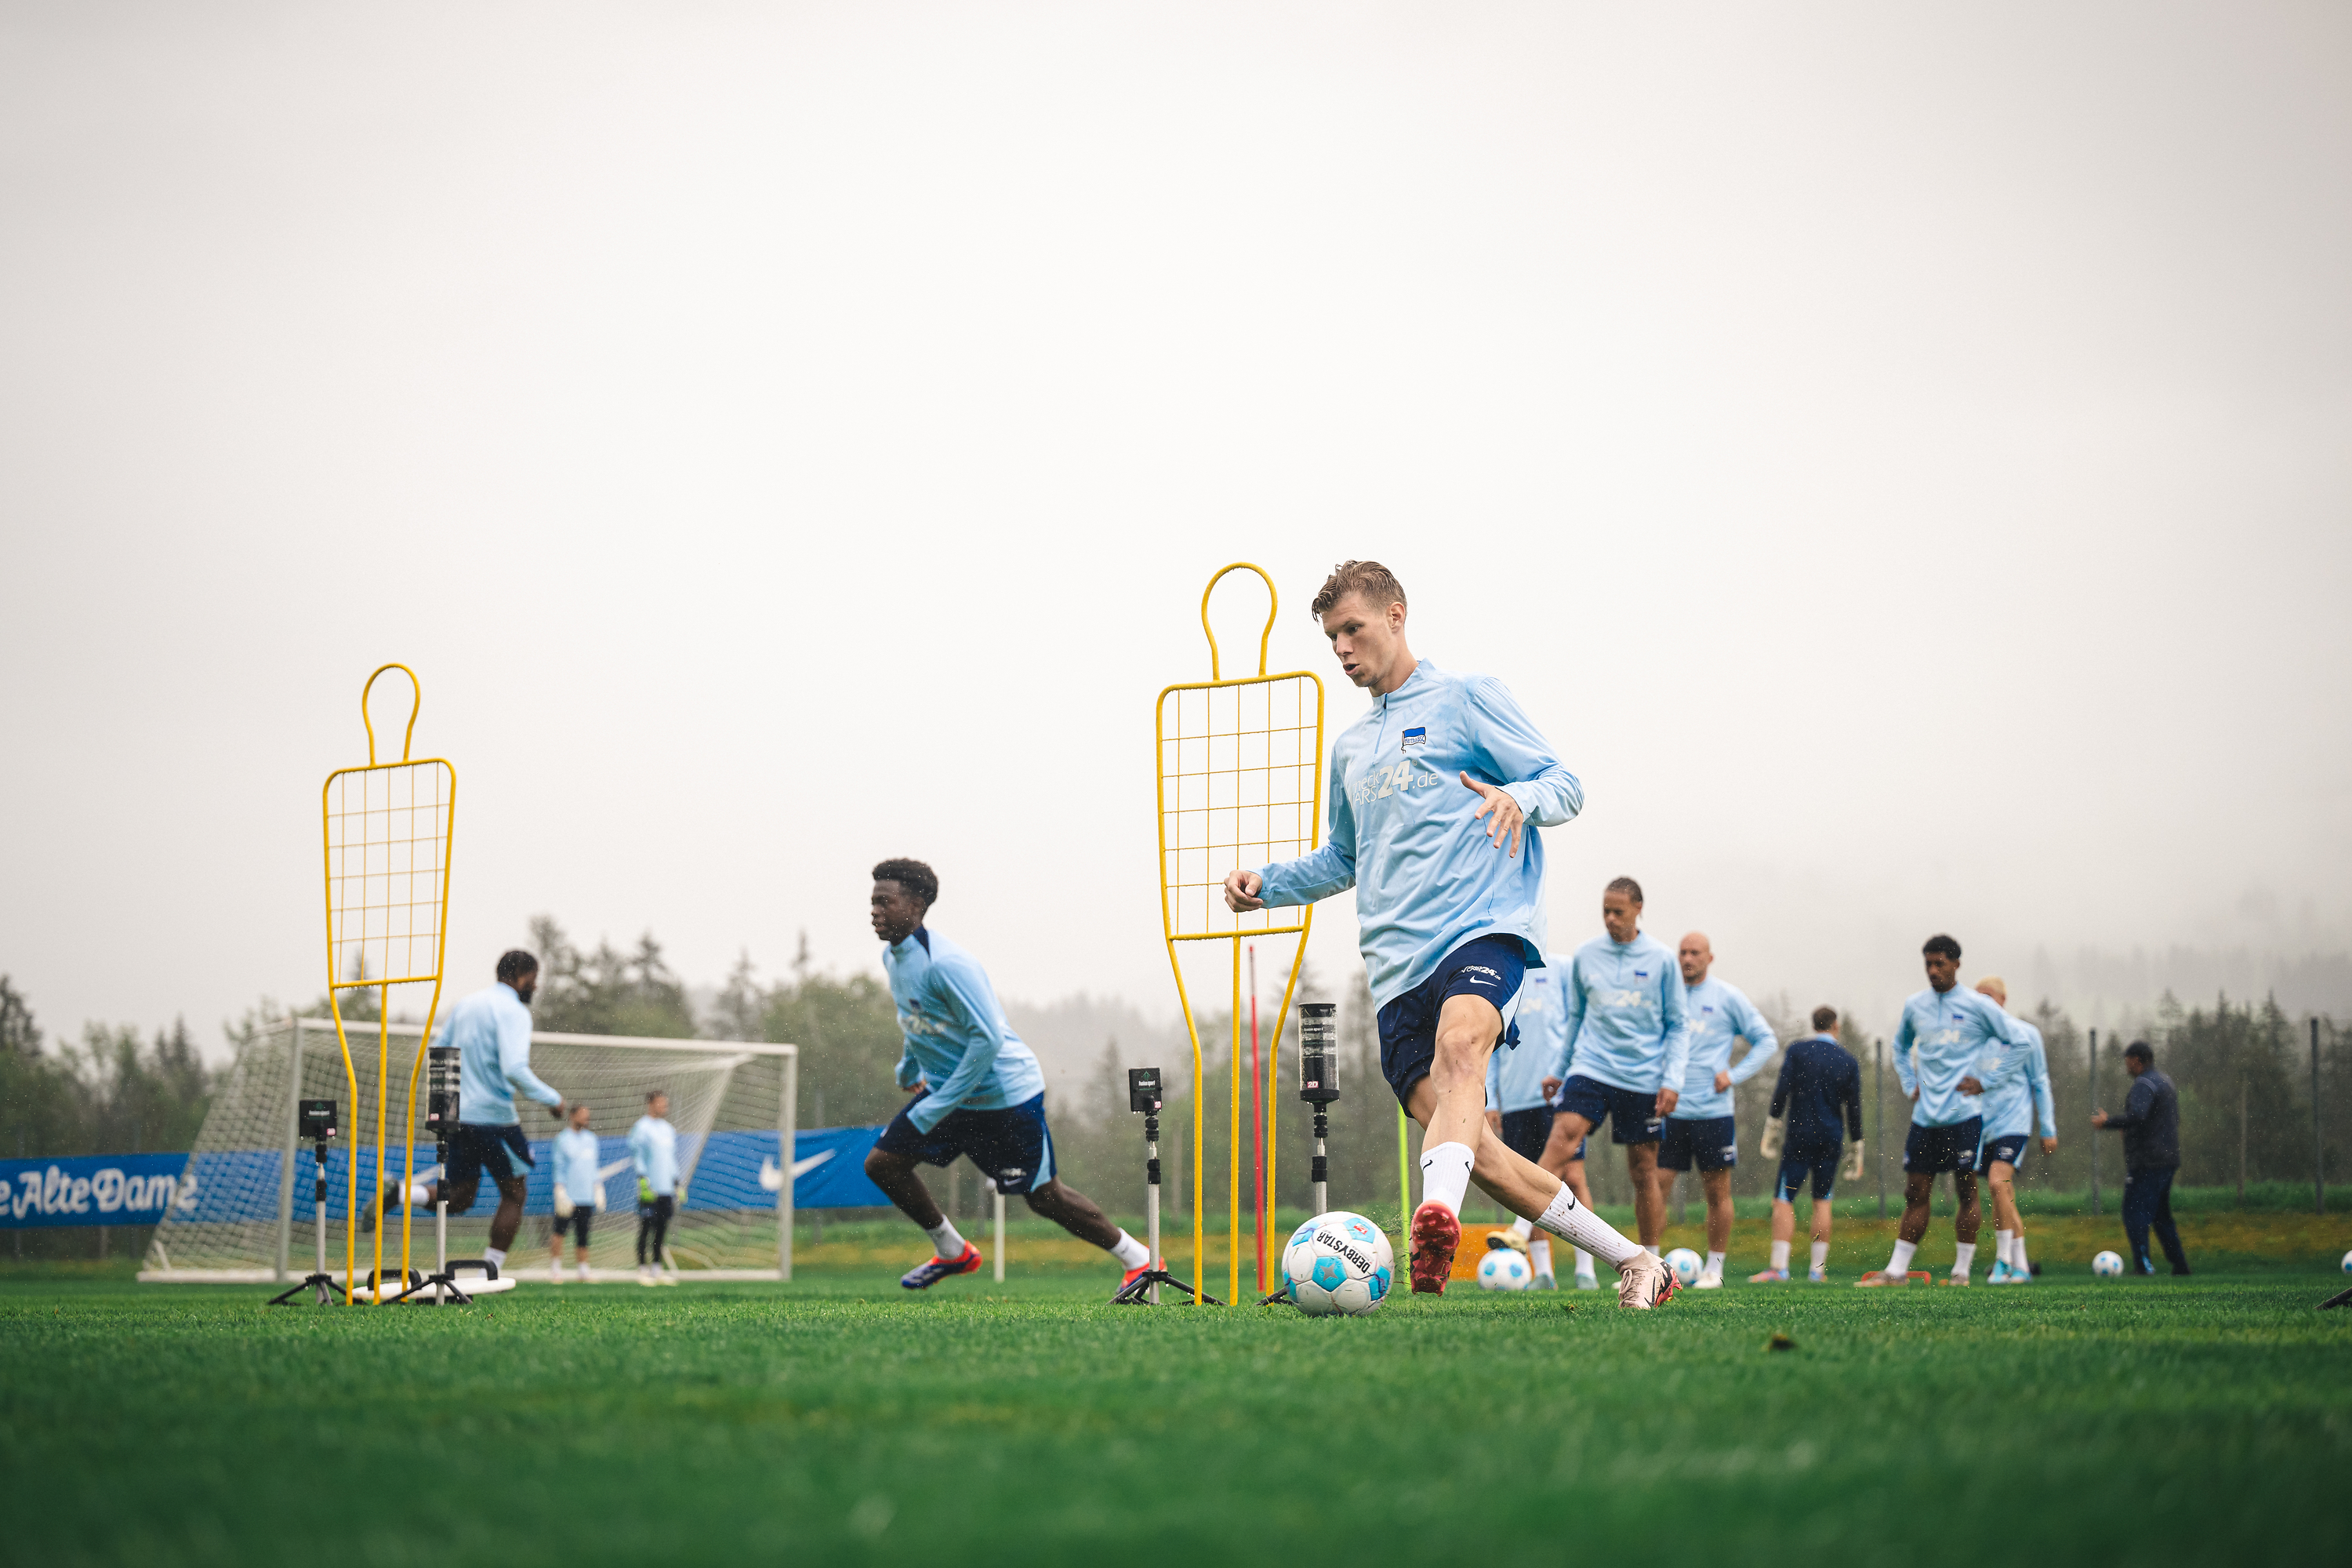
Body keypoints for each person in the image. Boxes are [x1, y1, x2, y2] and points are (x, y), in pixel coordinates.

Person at [1224, 561, 1671, 1307]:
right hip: (1396, 969)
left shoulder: (1468, 698)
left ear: (1396, 616)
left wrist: (1518, 798)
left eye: (1353, 629)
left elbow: (1565, 783)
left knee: (1464, 1049)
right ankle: (1636, 1262)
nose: (1341, 648)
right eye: (1332, 636)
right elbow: (1343, 859)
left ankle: (1436, 1224)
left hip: (1482, 930)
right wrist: (1266, 884)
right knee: (1483, 1153)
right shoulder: (1351, 749)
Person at [865, 858, 1157, 1296]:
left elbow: (987, 1042)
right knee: (884, 1164)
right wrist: (910, 1068)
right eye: (872, 902)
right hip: (949, 1094)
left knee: (1044, 1198)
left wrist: (939, 1105)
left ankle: (1140, 1259)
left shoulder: (948, 964)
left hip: (1005, 1097)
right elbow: (917, 1019)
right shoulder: (894, 958)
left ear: (918, 904)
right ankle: (953, 1251)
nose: (874, 911)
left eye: (884, 902)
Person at [1530, 878, 1692, 1259]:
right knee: (1561, 1139)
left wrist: (1672, 1081)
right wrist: (1559, 1070)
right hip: (1592, 1067)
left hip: (1643, 1077)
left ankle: (1651, 1259)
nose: (1610, 918)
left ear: (1638, 909)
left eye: (1618, 911)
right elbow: (1575, 1017)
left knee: (1643, 1171)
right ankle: (1520, 1231)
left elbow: (1679, 1025)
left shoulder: (1662, 959)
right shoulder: (1586, 955)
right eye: (1605, 910)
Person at [1859, 935, 2024, 1287]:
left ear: (1956, 965)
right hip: (1925, 1119)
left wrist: (1987, 1080)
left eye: (1940, 964)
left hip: (1964, 1116)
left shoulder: (1978, 1006)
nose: (1933, 971)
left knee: (1966, 1192)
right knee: (1915, 1193)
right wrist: (1909, 1084)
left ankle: (1961, 1272)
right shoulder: (1915, 1005)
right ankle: (1896, 1272)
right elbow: (1900, 1048)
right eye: (1928, 965)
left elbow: (2019, 1043)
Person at [401, 949, 564, 1279]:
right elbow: (514, 1068)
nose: (535, 986)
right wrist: (553, 1099)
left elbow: (440, 1054)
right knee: (515, 1193)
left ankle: (404, 1194)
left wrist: (441, 1112)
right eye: (533, 979)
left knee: (460, 1196)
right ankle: (488, 1273)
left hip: (456, 1116)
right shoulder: (514, 1011)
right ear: (521, 976)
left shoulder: (466, 1005)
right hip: (494, 1118)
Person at [1658, 931, 1778, 1288]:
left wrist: (1734, 1074)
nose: (1687, 958)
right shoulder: (1667, 995)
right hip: (1671, 1111)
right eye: (1682, 952)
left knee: (1716, 1193)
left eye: (1695, 953)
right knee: (1655, 1187)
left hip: (1713, 1113)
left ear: (1710, 958)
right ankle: (1645, 1264)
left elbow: (1766, 1040)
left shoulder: (1727, 997)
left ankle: (1714, 1269)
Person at [1479, 956, 1597, 1290]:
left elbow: (1578, 1028)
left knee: (1573, 1176)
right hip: (1516, 1101)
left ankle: (1585, 1268)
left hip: (1559, 1096)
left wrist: (1573, 1079)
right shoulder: (1500, 976)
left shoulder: (1562, 970)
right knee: (1525, 1184)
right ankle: (1543, 1272)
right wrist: (1493, 1099)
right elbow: (1494, 1044)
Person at [1750, 1007, 1864, 1283]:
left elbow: (1782, 1089)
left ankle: (1779, 1268)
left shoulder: (1798, 1051)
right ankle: (1817, 1271)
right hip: (1831, 1138)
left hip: (1800, 1136)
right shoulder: (1847, 1060)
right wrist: (1857, 1143)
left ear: (1814, 1025)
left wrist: (1773, 1123)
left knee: (1784, 1199)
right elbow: (1854, 1107)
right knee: (1822, 1201)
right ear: (1835, 1026)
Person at [1972, 977, 2056, 1284]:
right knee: (2001, 1194)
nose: (1980, 1003)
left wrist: (2048, 1128)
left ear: (2003, 1000)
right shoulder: (1977, 1040)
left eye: (1986, 997)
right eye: (1976, 998)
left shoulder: (2025, 1035)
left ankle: (2002, 1261)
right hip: (1984, 1129)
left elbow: (2040, 1082)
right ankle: (2020, 1266)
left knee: (1998, 1183)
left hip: (2015, 1124)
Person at [2092, 1040, 2190, 1276]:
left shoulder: (2143, 1083)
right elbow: (2165, 1118)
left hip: (2148, 1161)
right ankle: (2180, 1265)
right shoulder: (2165, 1081)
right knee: (2161, 1214)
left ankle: (2143, 1265)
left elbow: (2138, 1114)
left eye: (2127, 1061)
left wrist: (2108, 1122)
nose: (2126, 1066)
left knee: (2134, 1211)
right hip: (2168, 1158)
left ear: (2137, 1060)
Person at [630, 1091, 681, 1286]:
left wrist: (676, 1182)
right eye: (660, 1103)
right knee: (646, 1227)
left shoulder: (668, 1129)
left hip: (666, 1189)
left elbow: (671, 1160)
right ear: (651, 1104)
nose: (664, 1107)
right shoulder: (641, 1128)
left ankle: (657, 1269)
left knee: (662, 1229)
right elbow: (638, 1156)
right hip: (649, 1188)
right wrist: (642, 1178)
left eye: (665, 1103)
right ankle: (642, 1269)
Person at [549, 1101, 603, 1283]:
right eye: (583, 1115)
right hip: (568, 1196)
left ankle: (583, 1270)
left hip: (586, 1196)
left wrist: (597, 1187)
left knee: (583, 1234)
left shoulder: (592, 1139)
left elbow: (594, 1167)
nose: (586, 1118)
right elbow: (559, 1166)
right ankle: (556, 1269)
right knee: (560, 1232)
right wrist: (560, 1189)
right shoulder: (562, 1139)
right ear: (572, 1116)